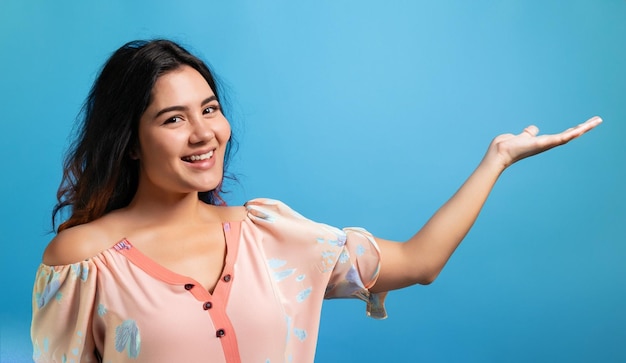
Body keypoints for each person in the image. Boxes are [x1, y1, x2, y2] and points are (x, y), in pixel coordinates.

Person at [31, 39, 601, 363]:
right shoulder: (84, 261)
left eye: (209, 109)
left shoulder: (272, 237)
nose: (203, 133)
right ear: (130, 142)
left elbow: (418, 263)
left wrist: (496, 159)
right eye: (173, 119)